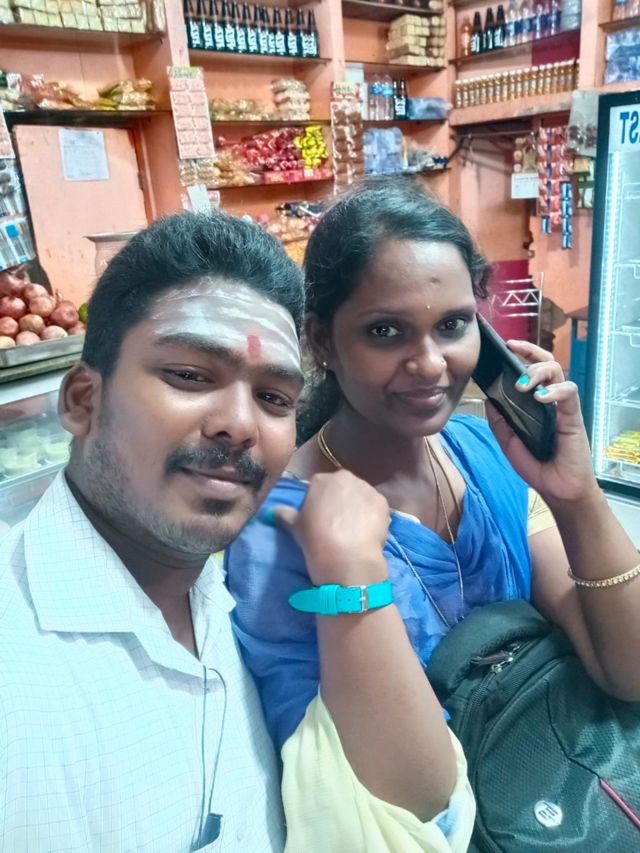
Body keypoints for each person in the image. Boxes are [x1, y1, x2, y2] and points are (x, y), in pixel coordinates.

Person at [0, 210, 474, 852]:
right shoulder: (21, 678)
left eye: (274, 398)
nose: (239, 424)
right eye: (190, 376)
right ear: (83, 399)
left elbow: (424, 810)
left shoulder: (238, 586)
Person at [227, 180, 640, 825]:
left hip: (575, 801)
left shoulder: (482, 452)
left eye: (452, 325)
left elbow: (629, 669)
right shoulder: (279, 532)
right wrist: (351, 576)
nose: (430, 365)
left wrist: (576, 495)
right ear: (322, 342)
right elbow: (416, 801)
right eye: (385, 331)